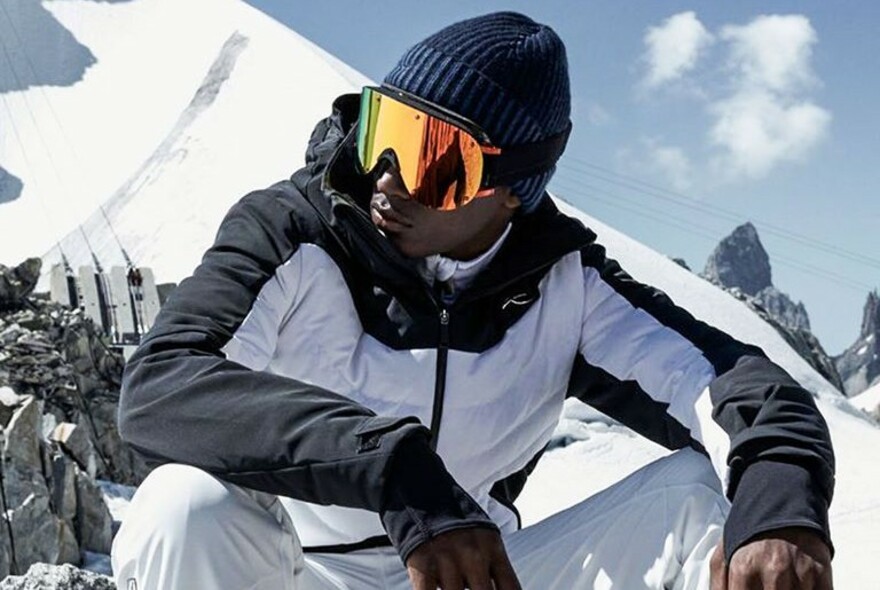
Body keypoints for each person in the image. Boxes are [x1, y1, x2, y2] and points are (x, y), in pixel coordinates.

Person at [110, 11, 834, 590]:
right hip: (294, 572)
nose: (386, 180)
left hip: (471, 576)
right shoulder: (295, 230)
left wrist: (779, 512)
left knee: (703, 496)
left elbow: (741, 386)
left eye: (432, 160)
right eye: (382, 133)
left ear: (513, 188)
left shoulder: (564, 284)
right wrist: (397, 471)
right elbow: (163, 384)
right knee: (184, 507)